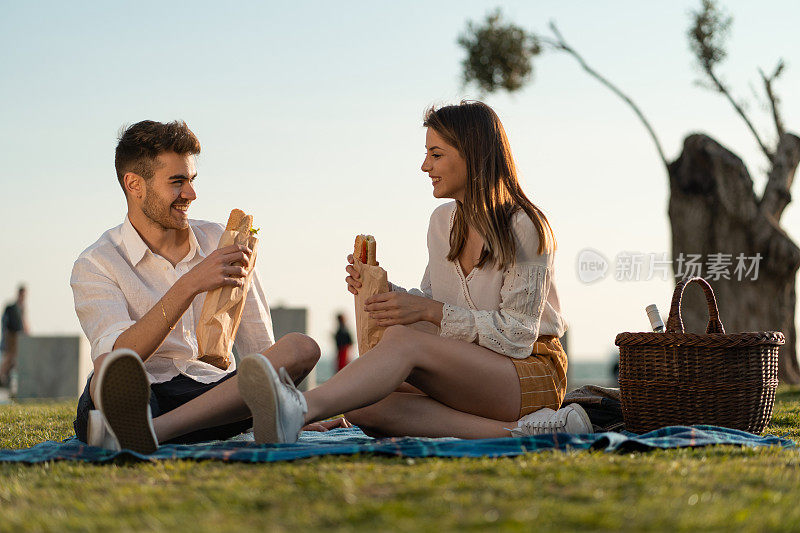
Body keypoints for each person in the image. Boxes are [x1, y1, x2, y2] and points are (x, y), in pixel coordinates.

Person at [235, 101, 592, 443]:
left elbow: (516, 337)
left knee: (401, 341)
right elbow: (436, 303)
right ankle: (523, 431)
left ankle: (299, 409)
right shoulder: (442, 223)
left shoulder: (525, 227)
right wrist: (382, 288)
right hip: (469, 374)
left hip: (529, 374)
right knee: (364, 404)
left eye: (436, 155)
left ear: (475, 156)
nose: (425, 166)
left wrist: (424, 311)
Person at [70, 120, 339, 454]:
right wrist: (190, 284)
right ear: (134, 185)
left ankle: (143, 433)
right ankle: (131, 422)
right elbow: (118, 356)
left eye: (192, 180)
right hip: (142, 393)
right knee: (108, 376)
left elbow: (259, 348)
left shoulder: (219, 241)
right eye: (177, 182)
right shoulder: (96, 263)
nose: (191, 194)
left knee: (301, 348)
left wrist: (283, 397)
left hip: (212, 397)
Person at [0, 285, 28, 387]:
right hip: (11, 337)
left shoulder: (22, 307)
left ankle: (14, 385)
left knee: (14, 361)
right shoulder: (11, 307)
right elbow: (5, 324)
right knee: (9, 359)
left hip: (18, 338)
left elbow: (24, 322)